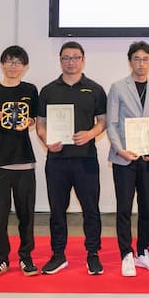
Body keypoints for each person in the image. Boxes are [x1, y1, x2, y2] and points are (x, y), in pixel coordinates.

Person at [37, 41, 108, 276]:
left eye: (75, 57)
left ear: (83, 60)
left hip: (85, 159)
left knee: (91, 209)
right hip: (57, 160)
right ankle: (58, 254)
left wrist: (89, 134)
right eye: (66, 58)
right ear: (60, 60)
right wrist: (47, 140)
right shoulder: (48, 90)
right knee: (57, 209)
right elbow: (40, 124)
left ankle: (93, 254)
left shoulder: (95, 89)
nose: (71, 62)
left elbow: (103, 122)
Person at [0, 45, 39, 278]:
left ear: (25, 66)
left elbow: (34, 118)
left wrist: (29, 123)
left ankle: (26, 257)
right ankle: (0, 258)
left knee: (26, 214)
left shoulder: (30, 90)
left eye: (18, 62)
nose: (13, 66)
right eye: (9, 61)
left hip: (23, 161)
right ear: (2, 64)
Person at [106, 40, 149, 277]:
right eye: (137, 59)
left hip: (148, 157)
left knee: (147, 207)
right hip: (124, 157)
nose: (141, 64)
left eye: (145, 59)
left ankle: (143, 251)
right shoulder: (118, 87)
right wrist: (120, 149)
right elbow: (111, 123)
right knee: (124, 207)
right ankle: (126, 254)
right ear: (130, 61)